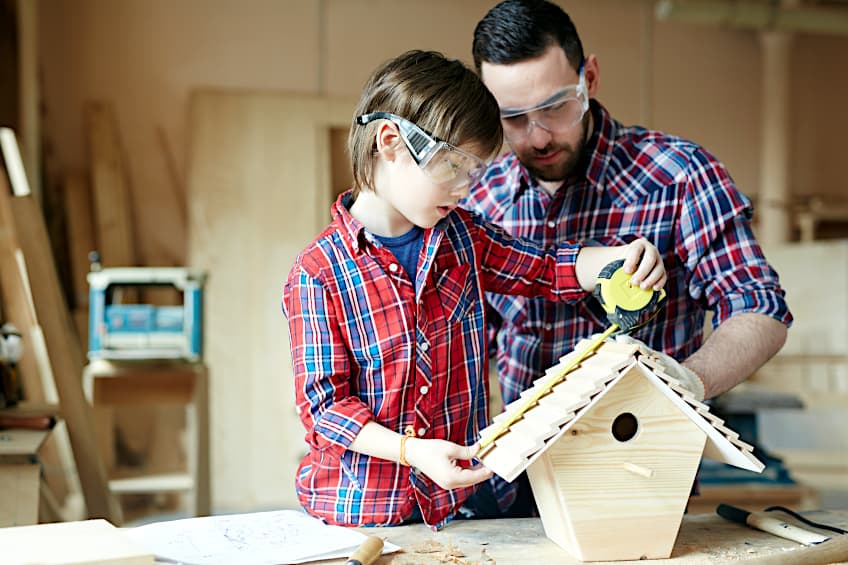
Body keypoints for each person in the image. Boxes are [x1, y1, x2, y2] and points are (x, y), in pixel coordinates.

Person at [282, 50, 667, 529]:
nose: (465, 188)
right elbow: (326, 408)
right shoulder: (318, 273)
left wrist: (620, 258)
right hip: (357, 511)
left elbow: (543, 268)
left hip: (449, 509)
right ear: (391, 143)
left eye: (475, 172)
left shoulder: (464, 237)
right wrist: (412, 451)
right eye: (453, 167)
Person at [464, 0, 793, 516]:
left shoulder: (679, 175)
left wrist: (687, 381)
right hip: (516, 485)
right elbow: (465, 341)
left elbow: (760, 308)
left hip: (645, 474)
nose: (539, 136)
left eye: (555, 107)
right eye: (513, 118)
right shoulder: (479, 199)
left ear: (588, 78)